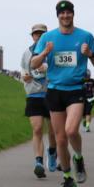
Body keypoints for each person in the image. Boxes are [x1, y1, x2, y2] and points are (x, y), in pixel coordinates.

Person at [30, 0, 94, 187]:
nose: (65, 16)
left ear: (73, 14)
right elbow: (34, 64)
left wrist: (90, 54)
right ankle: (68, 178)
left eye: (68, 12)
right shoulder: (47, 37)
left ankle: (78, 158)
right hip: (54, 90)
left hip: (75, 89)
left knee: (71, 131)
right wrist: (45, 52)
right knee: (60, 139)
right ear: (58, 16)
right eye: (62, 13)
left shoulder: (85, 36)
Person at [20, 23, 57, 178]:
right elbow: (23, 71)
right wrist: (25, 76)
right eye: (36, 34)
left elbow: (60, 70)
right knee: (37, 129)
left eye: (42, 33)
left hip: (51, 93)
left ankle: (52, 151)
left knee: (53, 131)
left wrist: (47, 68)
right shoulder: (27, 53)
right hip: (34, 94)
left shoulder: (54, 51)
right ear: (32, 36)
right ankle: (39, 162)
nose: (39, 36)